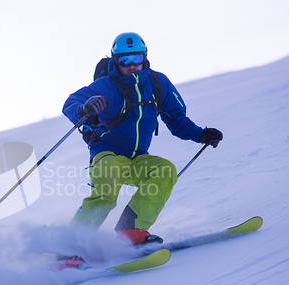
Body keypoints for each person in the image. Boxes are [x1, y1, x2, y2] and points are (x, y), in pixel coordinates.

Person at [58, 32, 223, 269]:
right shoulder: (107, 85)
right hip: (107, 153)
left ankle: (129, 231)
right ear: (116, 61)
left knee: (164, 170)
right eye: (125, 60)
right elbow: (71, 103)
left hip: (137, 157)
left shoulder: (157, 83)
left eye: (137, 58)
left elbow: (176, 118)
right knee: (106, 191)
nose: (132, 65)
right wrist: (85, 107)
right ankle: (66, 249)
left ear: (145, 57)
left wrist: (200, 134)